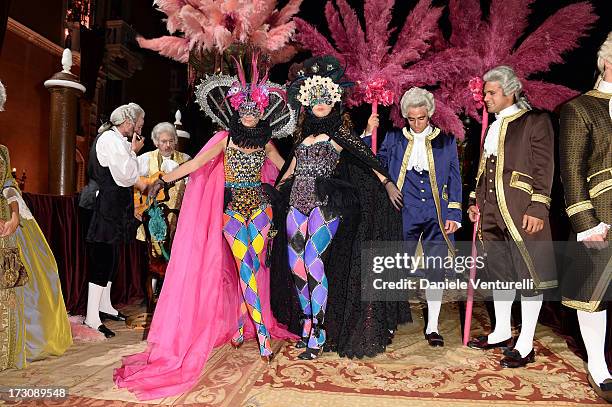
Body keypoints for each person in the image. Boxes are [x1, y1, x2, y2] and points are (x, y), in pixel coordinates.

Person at [114, 55, 297, 400]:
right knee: (245, 268)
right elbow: (196, 164)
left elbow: (285, 168)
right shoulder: (224, 139)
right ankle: (260, 333)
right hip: (232, 214)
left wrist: (276, 190)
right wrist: (161, 179)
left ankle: (245, 323)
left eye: (254, 109)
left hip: (260, 211)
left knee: (253, 269)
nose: (248, 114)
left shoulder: (266, 144)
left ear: (261, 112)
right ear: (235, 110)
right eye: (243, 108)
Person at [272, 55, 410, 360]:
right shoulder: (303, 138)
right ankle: (308, 326)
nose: (320, 103)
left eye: (325, 97)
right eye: (315, 98)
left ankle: (319, 332)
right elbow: (289, 174)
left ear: (334, 101)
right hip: (297, 204)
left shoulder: (339, 134)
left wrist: (386, 182)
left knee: (312, 260)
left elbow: (366, 158)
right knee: (296, 266)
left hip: (328, 204)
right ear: (307, 102)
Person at [466, 66, 557, 368]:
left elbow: (545, 167)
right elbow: (483, 169)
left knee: (529, 275)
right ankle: (502, 331)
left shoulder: (534, 121)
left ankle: (526, 342)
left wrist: (539, 206)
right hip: (491, 212)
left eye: (490, 93)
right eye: (484, 93)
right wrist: (474, 201)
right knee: (500, 274)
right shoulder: (494, 124)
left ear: (510, 91)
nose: (485, 98)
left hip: (521, 210)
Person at [363, 87, 462, 347]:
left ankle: (432, 327)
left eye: (421, 118)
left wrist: (454, 212)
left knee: (435, 269)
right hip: (402, 211)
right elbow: (373, 162)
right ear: (405, 116)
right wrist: (367, 134)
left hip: (435, 213)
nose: (417, 124)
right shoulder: (394, 138)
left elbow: (454, 178)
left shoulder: (446, 140)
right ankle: (388, 322)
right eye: (411, 118)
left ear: (429, 114)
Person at [0, 80, 72, 370]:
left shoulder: (2, 151)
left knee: (20, 281)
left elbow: (7, 184)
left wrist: (15, 214)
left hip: (6, 224)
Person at [559, 32, 612, 402]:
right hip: (602, 214)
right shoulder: (580, 108)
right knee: (593, 293)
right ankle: (599, 365)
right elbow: (572, 170)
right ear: (607, 61)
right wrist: (585, 223)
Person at [84, 103, 148, 338]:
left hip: (115, 207)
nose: (140, 128)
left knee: (112, 256)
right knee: (102, 257)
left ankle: (105, 306)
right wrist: (133, 152)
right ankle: (92, 317)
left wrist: (131, 153)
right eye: (139, 123)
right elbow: (126, 176)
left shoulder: (118, 140)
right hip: (104, 206)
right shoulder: (110, 139)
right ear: (128, 122)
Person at [135, 122, 191, 297]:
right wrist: (139, 205)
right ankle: (154, 291)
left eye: (171, 141)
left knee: (177, 253)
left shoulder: (186, 160)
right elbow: (132, 182)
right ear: (156, 142)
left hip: (179, 217)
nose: (167, 145)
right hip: (153, 217)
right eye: (163, 141)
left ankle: (173, 292)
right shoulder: (145, 159)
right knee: (154, 253)